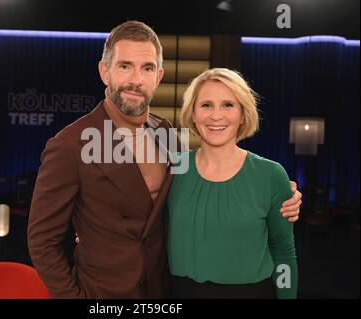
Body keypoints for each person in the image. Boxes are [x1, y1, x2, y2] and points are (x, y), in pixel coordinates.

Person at [27, 21, 301, 299]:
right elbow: (42, 241)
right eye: (125, 66)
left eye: (146, 68)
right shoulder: (70, 145)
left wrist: (281, 195)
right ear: (104, 72)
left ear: (158, 77)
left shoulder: (165, 133)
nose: (136, 79)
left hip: (164, 291)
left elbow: (186, 207)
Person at [168, 68, 298, 299]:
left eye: (228, 105)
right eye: (206, 105)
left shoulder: (271, 174)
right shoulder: (173, 169)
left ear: (242, 115)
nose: (216, 116)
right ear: (193, 114)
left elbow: (284, 253)